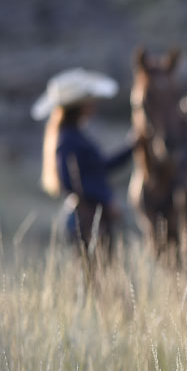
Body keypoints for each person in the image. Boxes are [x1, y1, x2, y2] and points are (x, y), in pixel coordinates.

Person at [33, 68, 133, 252]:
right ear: (79, 107)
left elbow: (101, 168)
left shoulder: (73, 136)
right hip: (85, 218)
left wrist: (132, 146)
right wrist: (106, 199)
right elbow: (69, 181)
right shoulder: (69, 139)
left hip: (90, 217)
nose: (93, 103)